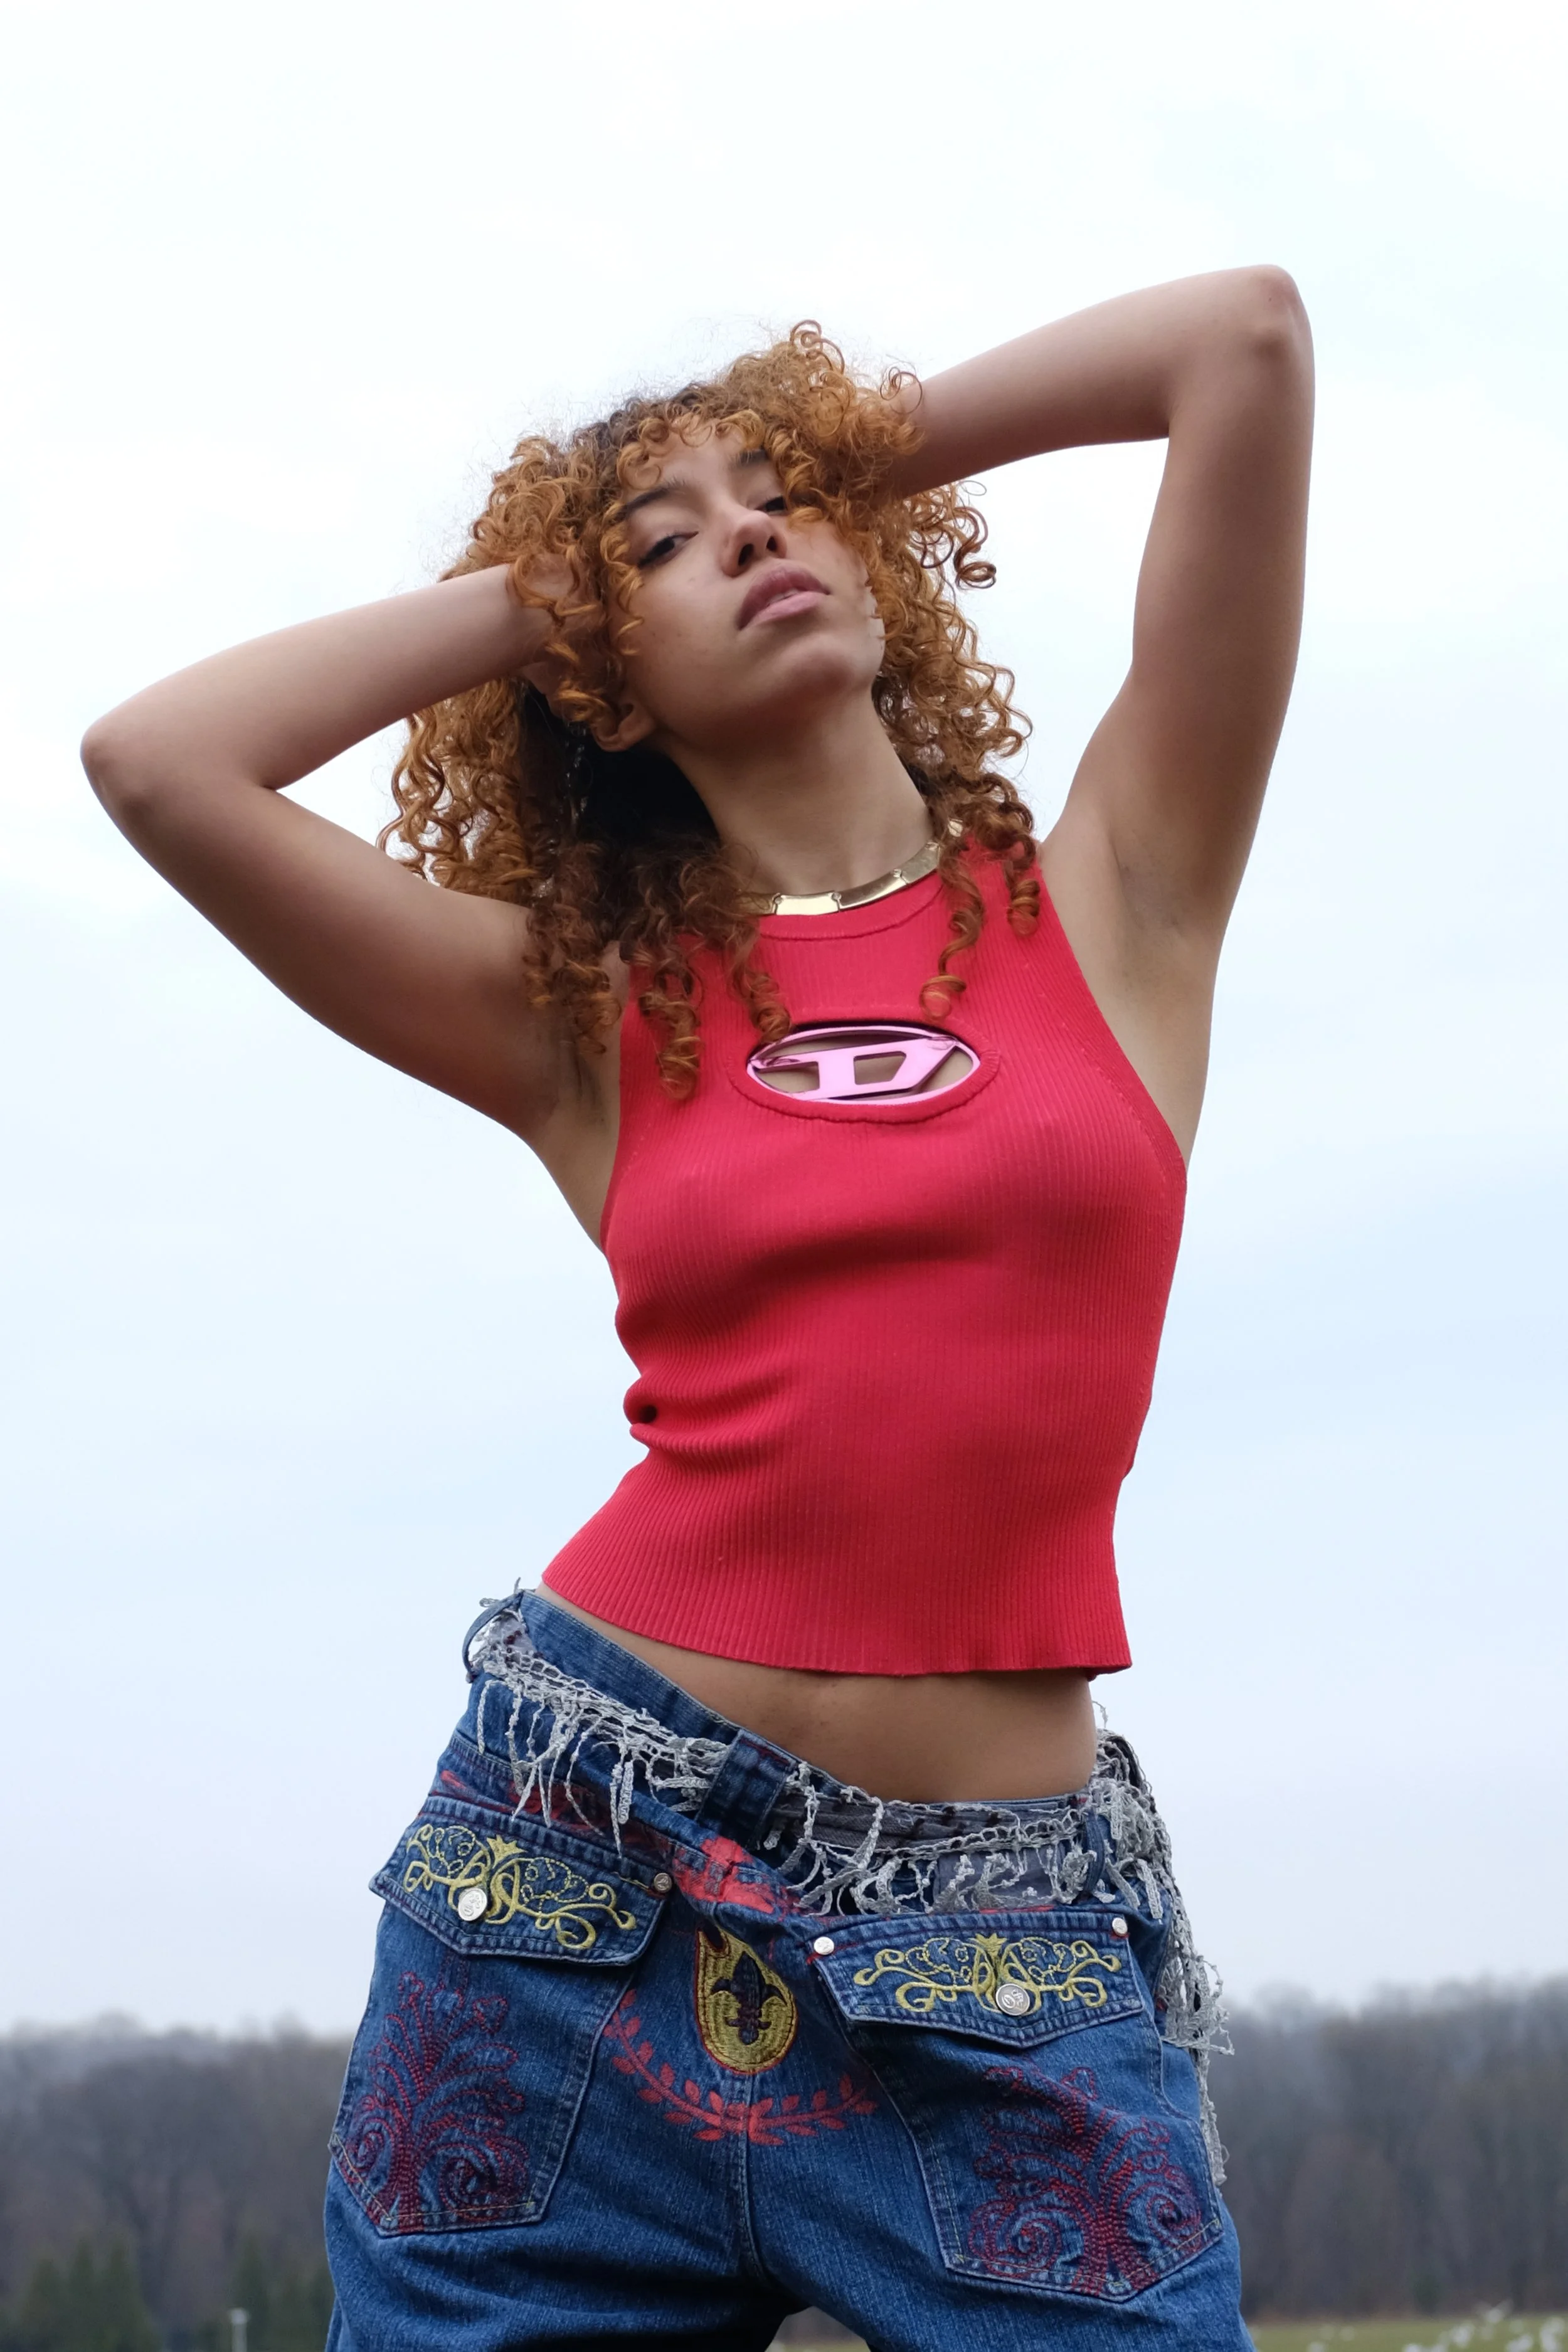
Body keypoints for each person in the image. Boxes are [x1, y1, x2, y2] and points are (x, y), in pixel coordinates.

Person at [82, 266, 1313, 2349]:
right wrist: (553, 586)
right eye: (666, 544)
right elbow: (160, 759)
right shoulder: (583, 1014)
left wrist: (819, 465)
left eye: (780, 501)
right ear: (601, 679)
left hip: (995, 1951)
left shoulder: (1120, 891)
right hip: (569, 1895)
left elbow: (1245, 346)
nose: (742, 536)